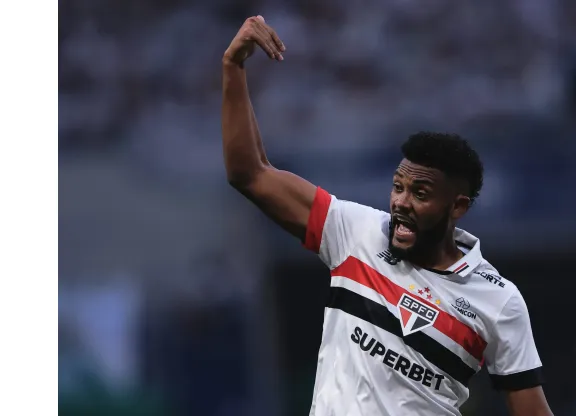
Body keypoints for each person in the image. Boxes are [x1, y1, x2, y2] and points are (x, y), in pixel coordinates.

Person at [222, 15, 554, 416]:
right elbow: (251, 173)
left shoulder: (499, 301)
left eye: (421, 193)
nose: (401, 201)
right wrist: (233, 67)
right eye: (398, 186)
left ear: (458, 207)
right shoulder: (354, 231)